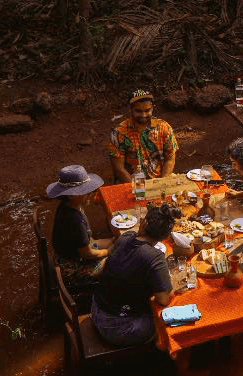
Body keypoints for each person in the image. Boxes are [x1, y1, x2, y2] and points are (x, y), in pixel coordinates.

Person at [91, 204, 179, 346]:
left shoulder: (126, 237)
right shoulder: (155, 257)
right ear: (166, 236)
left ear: (144, 223)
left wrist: (138, 234)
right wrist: (174, 282)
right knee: (171, 320)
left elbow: (125, 251)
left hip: (96, 310)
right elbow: (163, 299)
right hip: (118, 328)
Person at [47, 165, 112, 300]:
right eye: (85, 192)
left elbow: (89, 242)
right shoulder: (73, 220)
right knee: (118, 260)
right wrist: (109, 252)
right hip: (73, 267)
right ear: (71, 195)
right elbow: (88, 253)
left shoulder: (70, 207)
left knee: (117, 241)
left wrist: (114, 243)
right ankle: (109, 297)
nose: (90, 194)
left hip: (70, 256)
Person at [108, 89, 178, 182]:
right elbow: (119, 169)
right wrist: (138, 189)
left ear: (152, 108)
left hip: (159, 179)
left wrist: (161, 183)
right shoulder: (119, 133)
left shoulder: (164, 127)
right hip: (131, 182)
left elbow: (170, 159)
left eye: (147, 110)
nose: (143, 115)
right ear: (130, 109)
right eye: (138, 111)